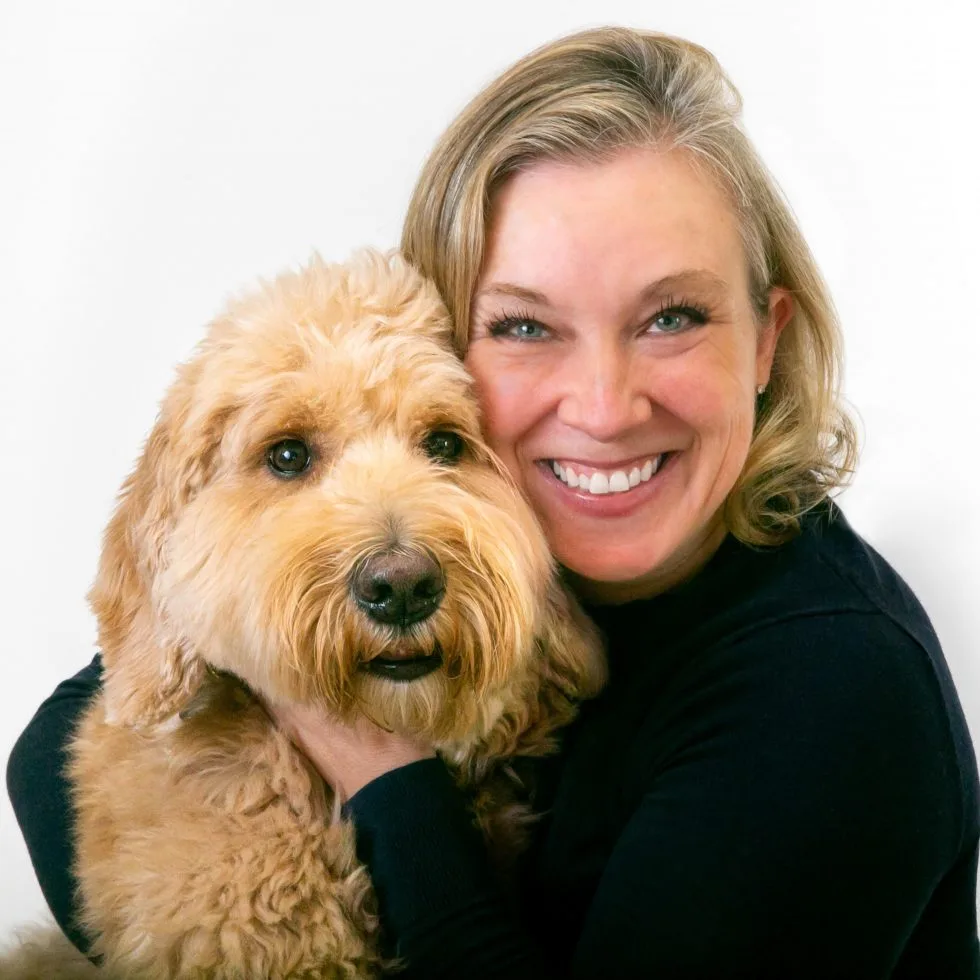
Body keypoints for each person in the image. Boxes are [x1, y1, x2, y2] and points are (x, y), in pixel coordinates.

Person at [7, 26, 979, 979]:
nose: (602, 406)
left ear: (765, 341)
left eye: (670, 317)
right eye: (523, 324)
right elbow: (56, 742)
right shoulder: (516, 533)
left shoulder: (831, 691)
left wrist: (381, 774)